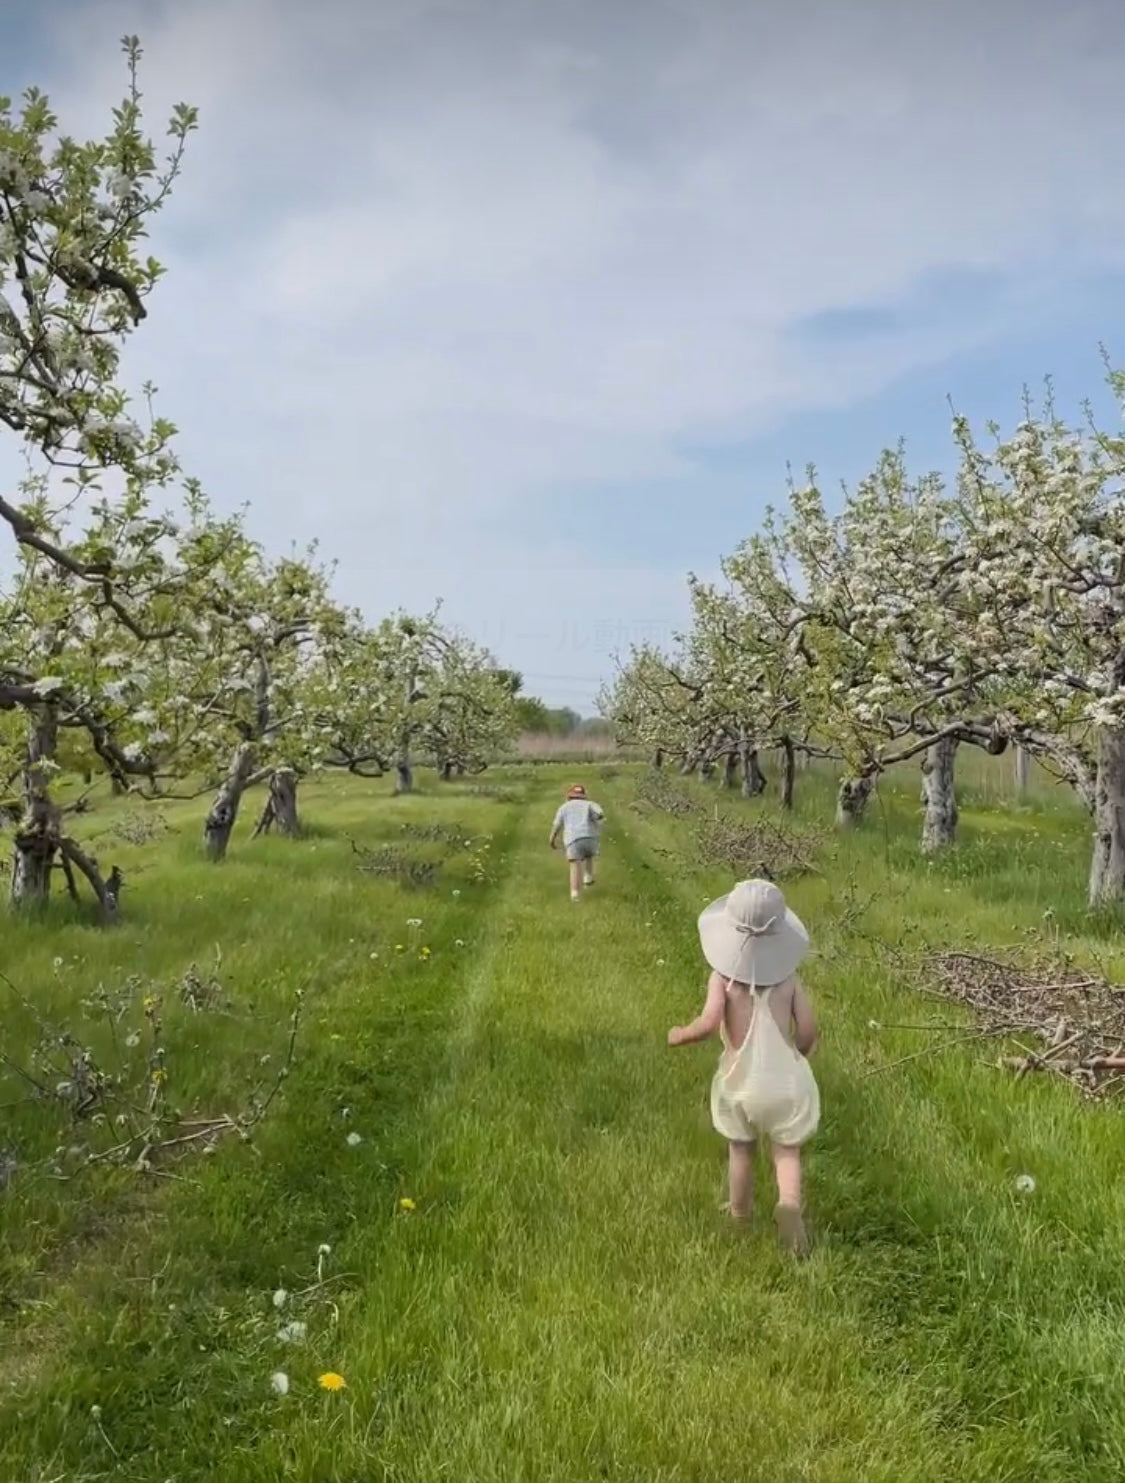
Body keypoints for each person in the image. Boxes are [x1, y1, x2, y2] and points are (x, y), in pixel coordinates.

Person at [667, 878, 819, 1256]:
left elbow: (707, 1023)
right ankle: (788, 1203)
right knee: (787, 1150)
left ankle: (739, 1213)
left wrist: (681, 1034)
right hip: (785, 1081)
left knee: (741, 1149)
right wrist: (799, 1053)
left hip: (741, 1082)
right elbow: (809, 1029)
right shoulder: (789, 980)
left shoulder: (724, 978)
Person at [549, 783, 605, 901]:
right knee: (589, 855)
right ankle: (588, 877)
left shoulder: (564, 807)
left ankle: (574, 893)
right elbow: (599, 814)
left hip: (573, 839)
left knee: (574, 865)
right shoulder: (590, 804)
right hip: (590, 837)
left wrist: (552, 839)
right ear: (584, 796)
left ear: (569, 796)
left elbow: (557, 824)